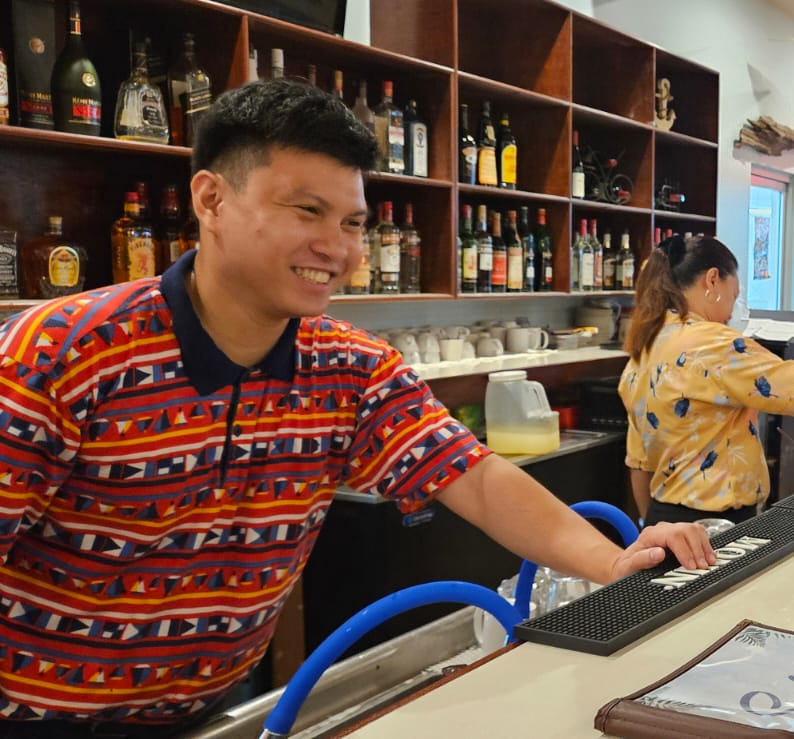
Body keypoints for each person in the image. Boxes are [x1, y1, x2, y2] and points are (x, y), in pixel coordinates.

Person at [0, 80, 714, 736]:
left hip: (212, 708)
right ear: (211, 200)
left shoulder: (349, 365)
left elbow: (475, 477)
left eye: (351, 222)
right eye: (307, 211)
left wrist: (613, 561)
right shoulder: (63, 352)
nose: (337, 248)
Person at [621, 234, 794, 525]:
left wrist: (651, 527)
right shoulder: (713, 342)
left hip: (663, 517)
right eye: (734, 294)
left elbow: (638, 464)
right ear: (712, 280)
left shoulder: (644, 347)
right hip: (711, 524)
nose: (732, 310)